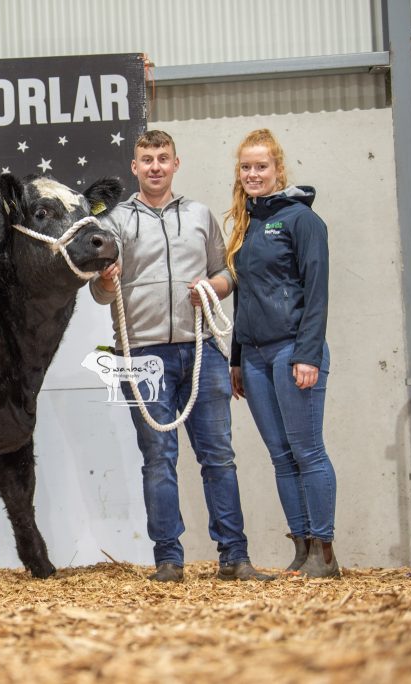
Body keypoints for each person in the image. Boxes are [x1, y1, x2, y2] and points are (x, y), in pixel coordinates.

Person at [91, 130, 273, 582]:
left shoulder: (199, 215)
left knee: (219, 458)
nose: (155, 166)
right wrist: (108, 282)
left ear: (176, 163)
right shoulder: (113, 222)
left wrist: (213, 288)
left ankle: (235, 557)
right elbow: (98, 291)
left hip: (203, 349)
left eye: (163, 158)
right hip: (139, 354)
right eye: (146, 159)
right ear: (134, 168)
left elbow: (224, 273)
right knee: (158, 459)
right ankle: (168, 560)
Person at [224, 129, 339, 578]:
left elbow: (317, 293)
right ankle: (302, 545)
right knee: (280, 455)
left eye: (261, 167)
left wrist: (307, 354)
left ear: (278, 170)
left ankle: (325, 554)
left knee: (307, 450)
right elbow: (243, 298)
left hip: (293, 351)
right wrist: (236, 359)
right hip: (253, 358)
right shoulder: (246, 224)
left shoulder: (301, 221)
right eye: (246, 167)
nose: (253, 174)